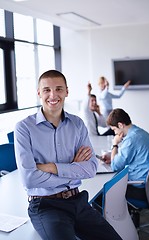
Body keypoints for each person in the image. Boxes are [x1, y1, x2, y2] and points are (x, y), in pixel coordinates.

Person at [14, 70, 122, 240]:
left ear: (66, 91)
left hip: (77, 200)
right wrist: (72, 168)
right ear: (39, 93)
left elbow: (91, 169)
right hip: (45, 205)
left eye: (58, 89)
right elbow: (29, 179)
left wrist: (52, 168)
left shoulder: (77, 124)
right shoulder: (24, 128)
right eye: (47, 90)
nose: (53, 95)